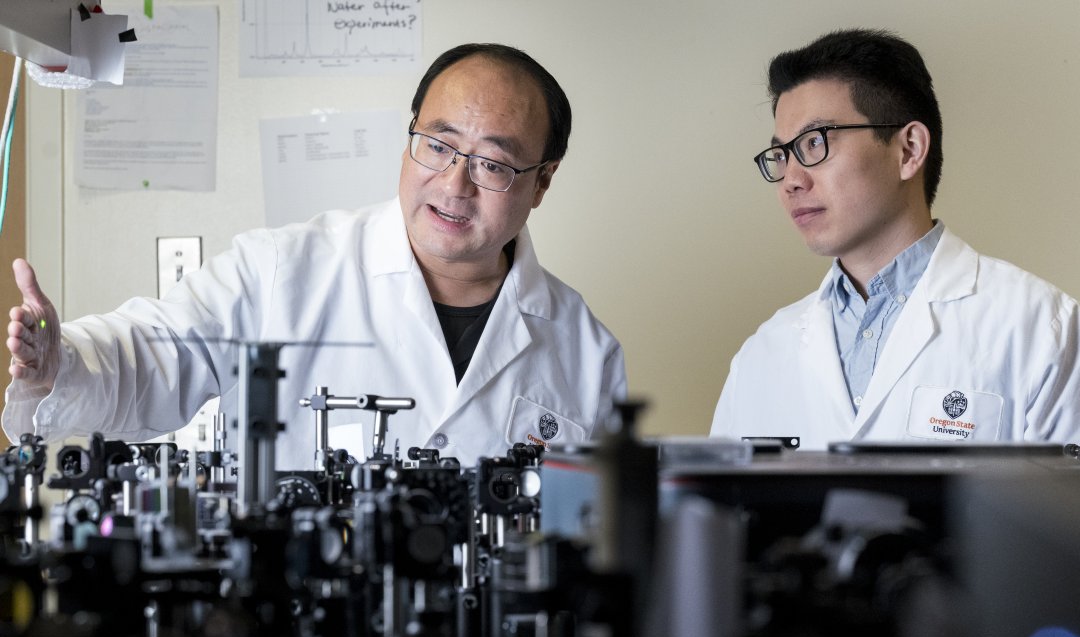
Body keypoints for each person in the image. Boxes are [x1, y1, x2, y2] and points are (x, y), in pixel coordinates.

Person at [5, 43, 627, 469]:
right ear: (409, 136)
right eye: (438, 145)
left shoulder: (585, 351)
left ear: (542, 181)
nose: (454, 184)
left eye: (493, 162)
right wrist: (59, 362)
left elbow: (596, 534)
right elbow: (152, 355)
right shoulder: (284, 271)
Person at [711, 29, 1080, 449]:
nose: (791, 181)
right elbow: (713, 511)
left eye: (814, 143)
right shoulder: (761, 355)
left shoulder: (1040, 328)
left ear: (908, 150)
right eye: (782, 155)